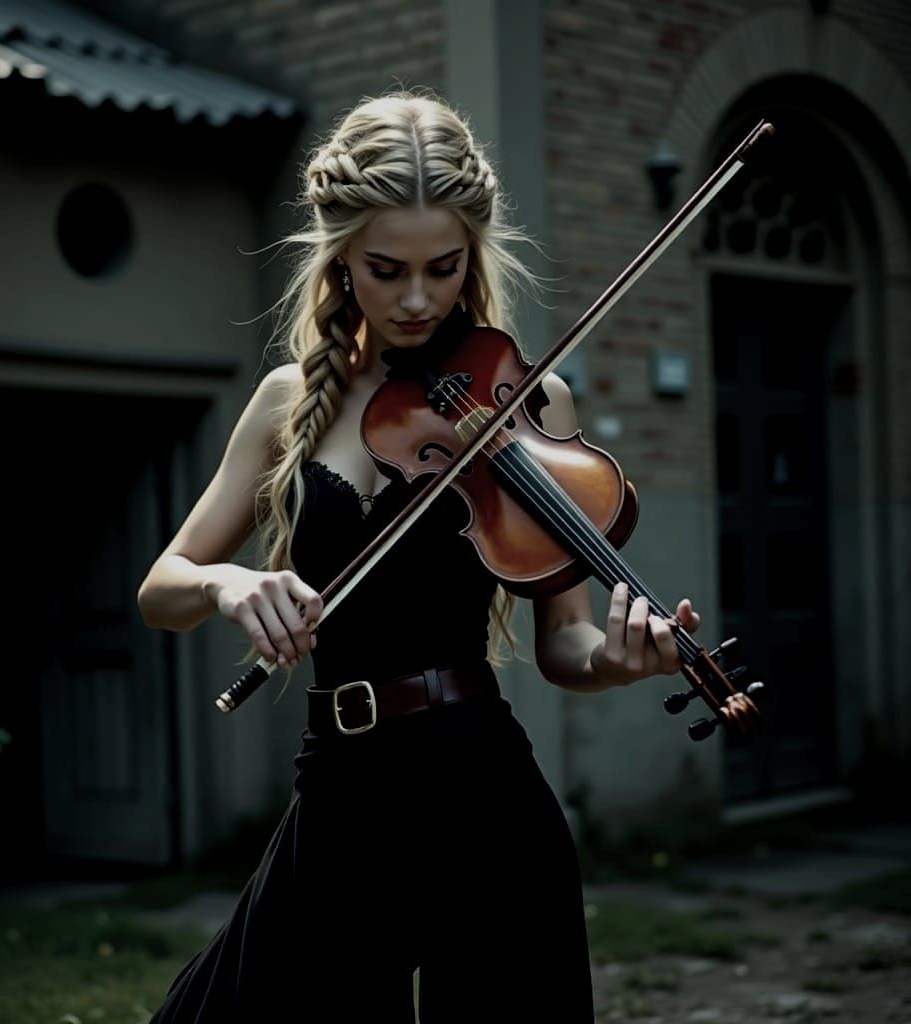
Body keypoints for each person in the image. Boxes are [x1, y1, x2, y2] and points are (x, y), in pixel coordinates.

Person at [137, 91, 701, 1024]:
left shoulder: (528, 402)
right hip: (342, 793)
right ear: (340, 256)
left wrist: (616, 658)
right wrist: (230, 582)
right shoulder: (289, 401)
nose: (415, 298)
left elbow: (563, 644)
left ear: (472, 255)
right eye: (385, 268)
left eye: (443, 269)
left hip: (485, 796)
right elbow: (163, 589)